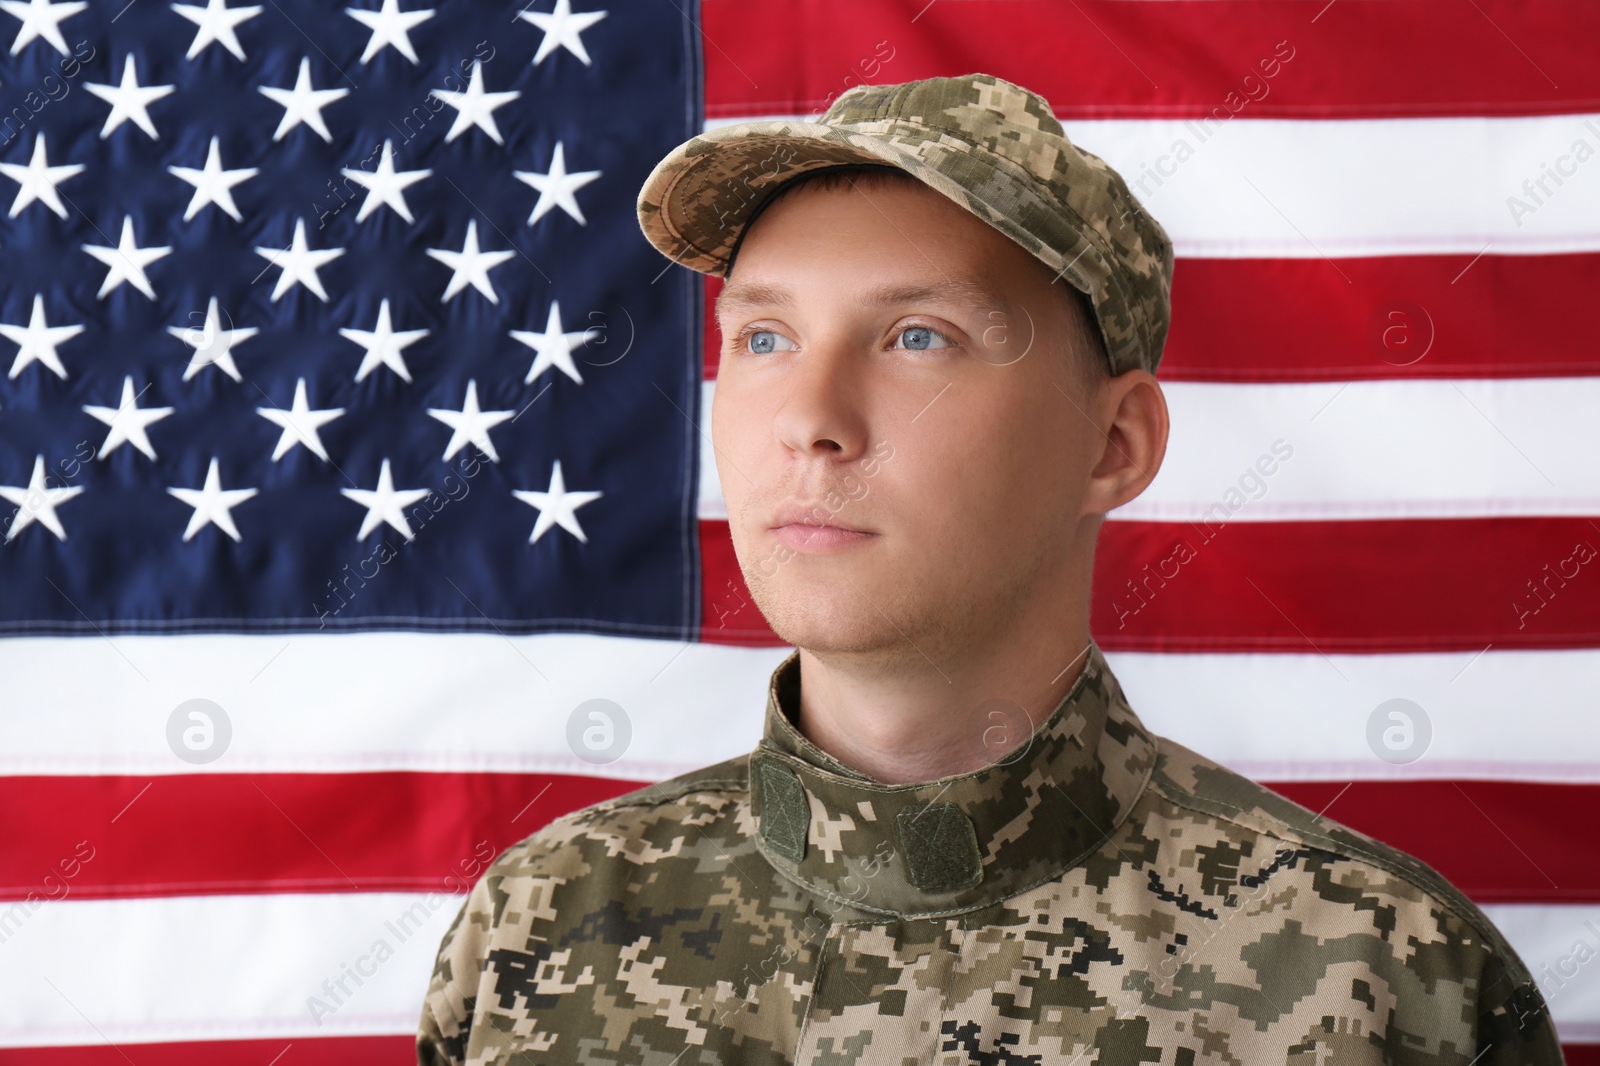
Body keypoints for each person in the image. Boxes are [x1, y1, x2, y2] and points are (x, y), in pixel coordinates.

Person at [416, 72, 1563, 1065]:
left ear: (1113, 447)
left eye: (919, 335)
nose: (808, 420)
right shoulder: (540, 928)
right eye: (763, 337)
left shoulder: (1385, 981)